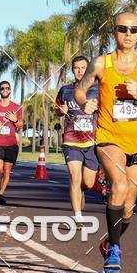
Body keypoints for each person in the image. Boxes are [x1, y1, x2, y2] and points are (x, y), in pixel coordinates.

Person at [74, 11, 137, 273]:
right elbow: (80, 88)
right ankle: (115, 250)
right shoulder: (102, 63)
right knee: (119, 185)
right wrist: (84, 101)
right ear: (114, 31)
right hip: (108, 137)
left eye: (133, 30)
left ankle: (108, 242)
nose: (128, 34)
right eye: (123, 29)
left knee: (128, 205)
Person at [55, 56, 99, 221]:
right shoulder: (65, 90)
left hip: (92, 141)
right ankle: (78, 217)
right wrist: (61, 111)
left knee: (87, 183)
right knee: (74, 177)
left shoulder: (98, 88)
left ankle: (79, 190)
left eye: (83, 67)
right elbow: (57, 109)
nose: (80, 71)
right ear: (72, 70)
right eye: (76, 68)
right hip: (71, 140)